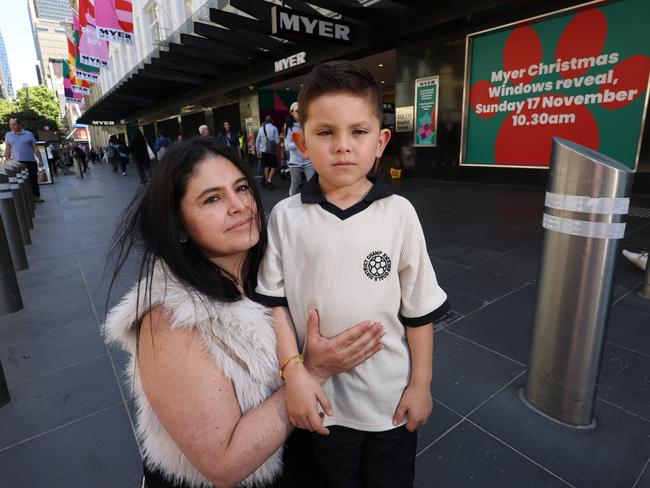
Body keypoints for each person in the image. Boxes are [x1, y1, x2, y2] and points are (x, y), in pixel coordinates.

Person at [103, 137, 384, 488]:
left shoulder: (271, 271)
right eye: (212, 198)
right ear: (178, 225)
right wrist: (313, 370)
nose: (238, 206)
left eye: (241, 188)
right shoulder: (171, 319)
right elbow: (224, 463)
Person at [256, 61, 450, 488]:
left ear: (380, 141)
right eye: (326, 133)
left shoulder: (399, 215)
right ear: (302, 142)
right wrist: (295, 375)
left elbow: (419, 310)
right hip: (320, 403)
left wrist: (421, 384)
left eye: (358, 132)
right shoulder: (286, 218)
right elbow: (274, 307)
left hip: (390, 404)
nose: (342, 146)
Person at [4, 117, 45, 202]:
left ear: (19, 124)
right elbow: (8, 148)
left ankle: (36, 196)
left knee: (33, 180)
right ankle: (25, 198)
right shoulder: (8, 135)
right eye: (10, 124)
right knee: (19, 182)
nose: (11, 126)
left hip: (30, 161)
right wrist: (7, 159)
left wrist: (40, 160)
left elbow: (35, 148)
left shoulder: (28, 134)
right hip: (17, 163)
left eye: (13, 124)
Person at [284, 102, 315, 196]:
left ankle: (313, 201)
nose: (300, 112)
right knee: (295, 184)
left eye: (301, 110)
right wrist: (298, 142)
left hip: (308, 160)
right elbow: (287, 146)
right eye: (297, 111)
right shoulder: (289, 127)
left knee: (312, 183)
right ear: (291, 112)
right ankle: (291, 203)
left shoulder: (307, 124)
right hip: (295, 161)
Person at [256, 115, 279, 190]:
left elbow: (257, 142)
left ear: (265, 121)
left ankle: (267, 181)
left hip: (263, 151)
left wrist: (258, 151)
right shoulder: (274, 128)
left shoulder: (261, 129)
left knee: (266, 166)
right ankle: (269, 180)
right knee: (273, 166)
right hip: (271, 151)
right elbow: (277, 141)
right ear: (272, 121)